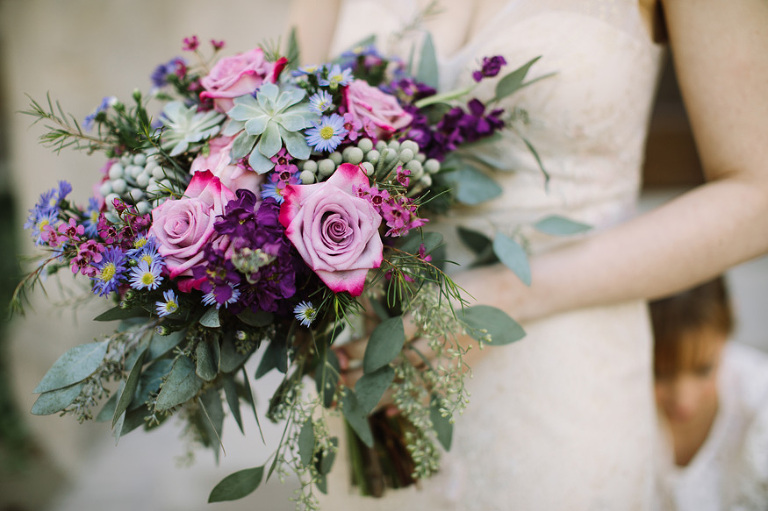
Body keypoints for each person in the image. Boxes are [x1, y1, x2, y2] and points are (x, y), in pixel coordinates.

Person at [288, 0, 768, 509]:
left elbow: (757, 197)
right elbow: (272, 138)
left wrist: (501, 298)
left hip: (558, 389)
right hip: (363, 382)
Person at [652, 277, 768, 510]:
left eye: (703, 369)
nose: (684, 399)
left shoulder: (759, 400)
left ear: (726, 329)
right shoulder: (610, 405)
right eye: (660, 373)